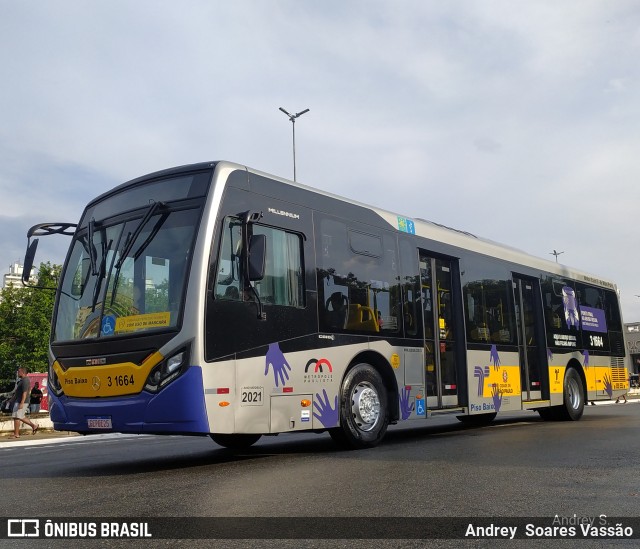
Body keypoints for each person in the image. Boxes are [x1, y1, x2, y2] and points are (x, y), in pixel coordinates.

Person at [9, 367, 38, 438]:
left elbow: (25, 393)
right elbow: (18, 392)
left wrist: (22, 403)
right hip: (19, 400)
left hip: (22, 401)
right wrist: (12, 399)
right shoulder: (22, 380)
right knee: (20, 416)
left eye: (19, 372)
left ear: (23, 372)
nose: (18, 373)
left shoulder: (25, 380)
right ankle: (34, 426)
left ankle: (16, 434)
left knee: (16, 417)